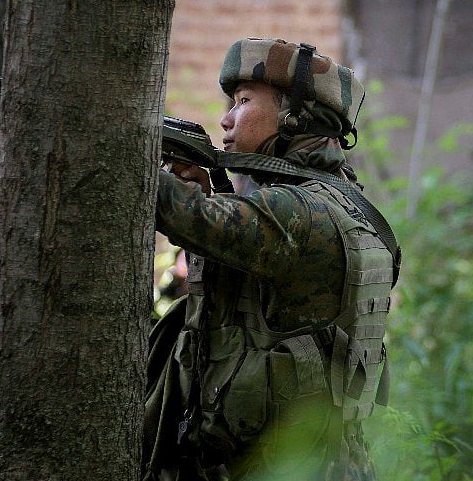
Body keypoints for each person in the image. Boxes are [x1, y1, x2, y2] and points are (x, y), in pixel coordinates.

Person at [143, 38, 400, 481]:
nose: (225, 118)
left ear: (294, 117)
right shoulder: (343, 202)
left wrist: (132, 148)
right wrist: (211, 190)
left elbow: (191, 219)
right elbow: (251, 290)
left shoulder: (300, 211)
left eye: (243, 101)